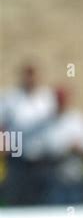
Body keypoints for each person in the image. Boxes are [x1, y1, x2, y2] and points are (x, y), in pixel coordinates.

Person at [0, 64, 56, 204]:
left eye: (33, 74)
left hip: (42, 156)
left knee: (43, 198)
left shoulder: (46, 97)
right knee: (18, 196)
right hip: (17, 153)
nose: (30, 78)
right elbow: (2, 124)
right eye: (27, 74)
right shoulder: (11, 98)